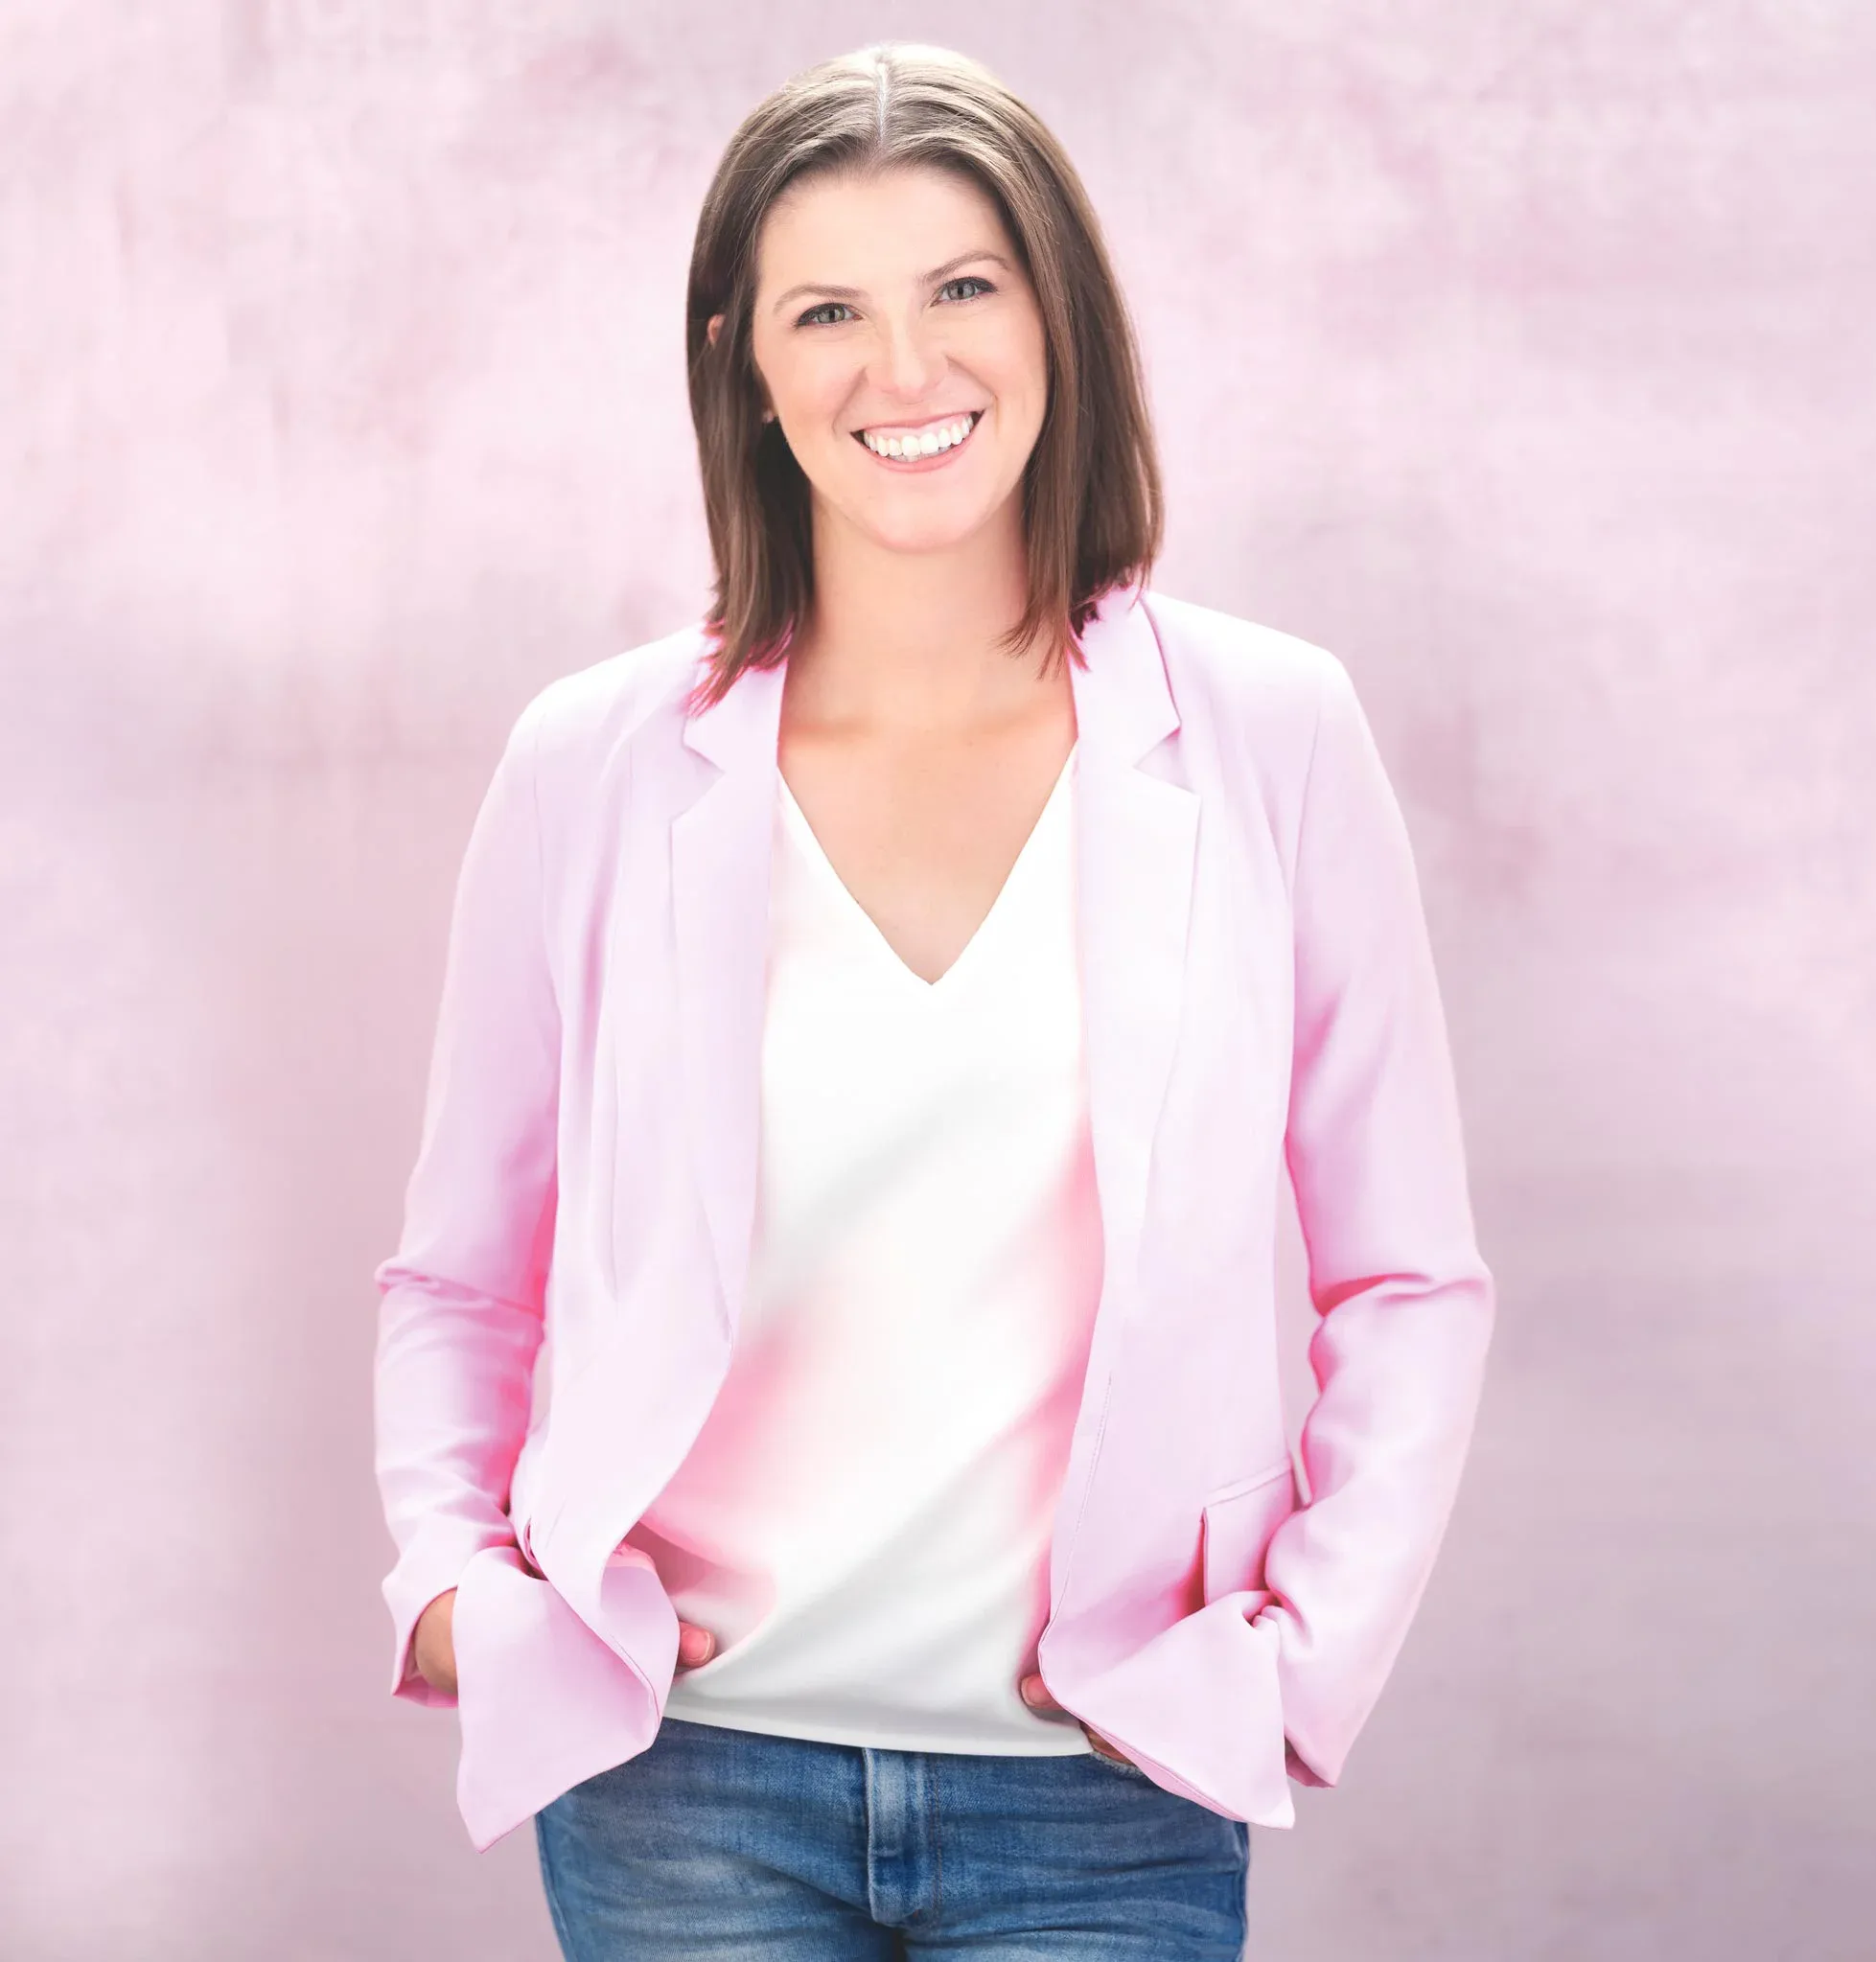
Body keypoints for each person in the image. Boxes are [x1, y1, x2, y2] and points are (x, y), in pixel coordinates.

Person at [373, 38, 1495, 1961]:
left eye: (961, 287)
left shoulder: (1270, 741)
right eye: (830, 310)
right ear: (745, 357)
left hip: (1106, 1791)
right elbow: (460, 1274)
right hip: (684, 1787)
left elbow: (1408, 1280)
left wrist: (1297, 1657)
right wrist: (455, 1583)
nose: (905, 371)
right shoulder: (593, 763)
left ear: (1057, 315)